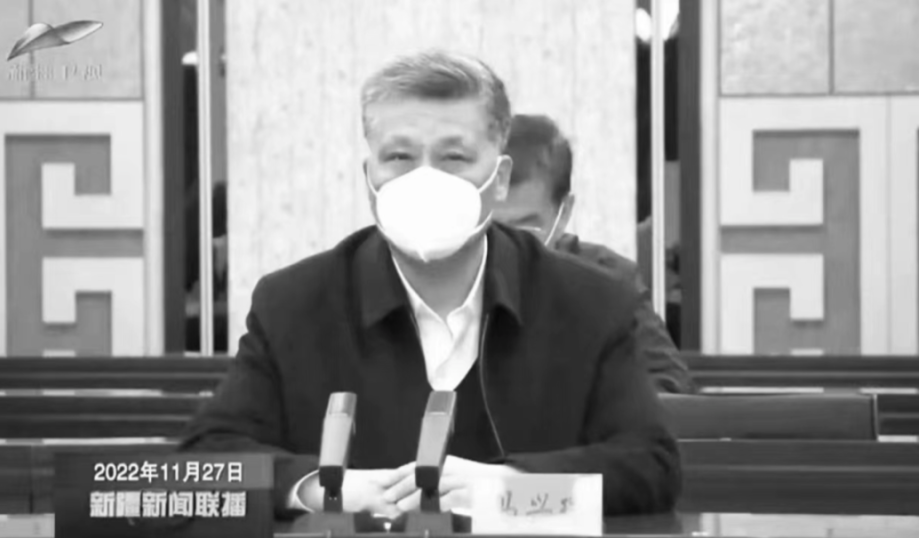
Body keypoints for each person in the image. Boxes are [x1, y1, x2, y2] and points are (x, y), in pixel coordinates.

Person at [180, 50, 681, 521]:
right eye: (399, 156)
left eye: (454, 157)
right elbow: (206, 460)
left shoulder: (589, 303)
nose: (425, 180)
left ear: (499, 179)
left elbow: (649, 466)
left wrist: (509, 493)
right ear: (369, 179)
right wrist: (324, 490)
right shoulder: (294, 305)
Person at [495, 114, 692, 394]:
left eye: (526, 227)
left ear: (564, 212)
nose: (506, 243)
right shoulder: (443, 278)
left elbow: (670, 386)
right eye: (490, 227)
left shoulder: (609, 278)